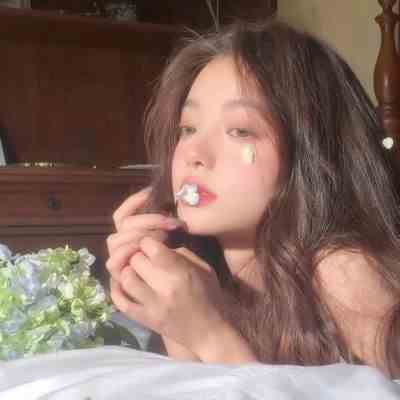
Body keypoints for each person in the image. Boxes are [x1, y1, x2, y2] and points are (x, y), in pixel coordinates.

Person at [106, 19, 400, 378]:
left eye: (240, 131)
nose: (193, 154)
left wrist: (210, 334)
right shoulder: (204, 266)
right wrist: (172, 314)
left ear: (309, 151)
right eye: (188, 128)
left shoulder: (345, 273)